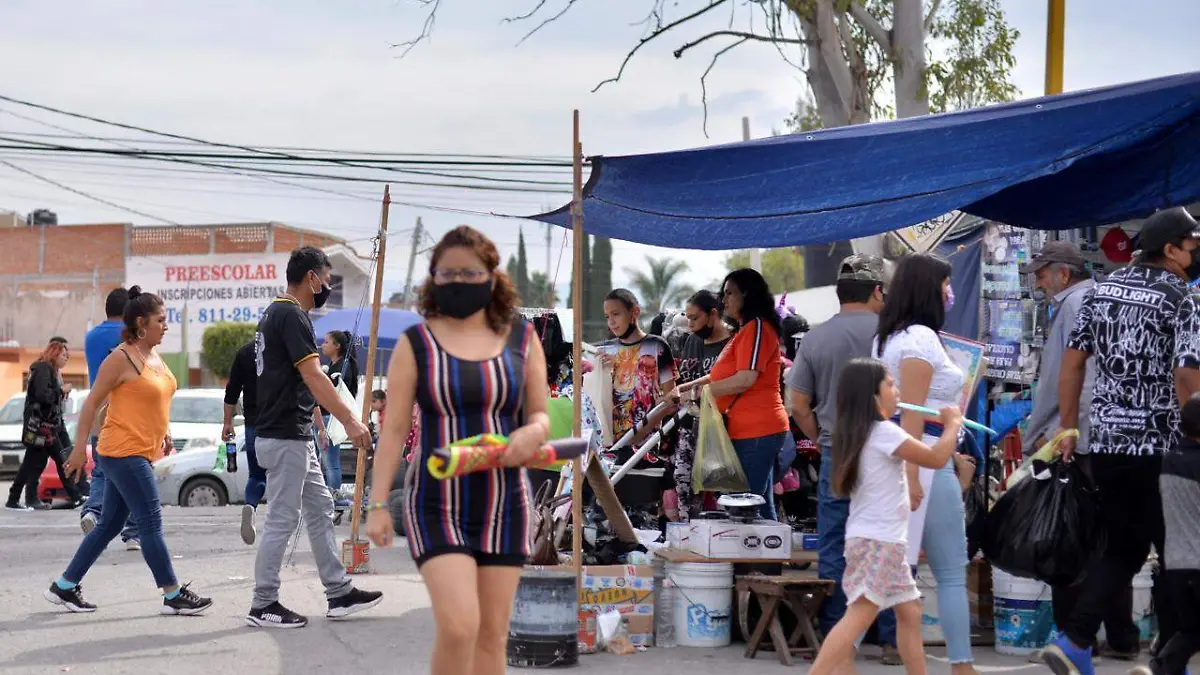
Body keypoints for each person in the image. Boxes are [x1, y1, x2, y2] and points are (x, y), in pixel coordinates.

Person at [366, 225, 551, 675]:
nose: (458, 282)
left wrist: (531, 434)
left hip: (506, 504)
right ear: (433, 279)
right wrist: (376, 505)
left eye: (469, 273)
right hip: (435, 502)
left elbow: (541, 416)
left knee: (492, 636)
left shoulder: (522, 339)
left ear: (492, 276)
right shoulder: (416, 343)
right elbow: (391, 431)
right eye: (447, 273)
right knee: (460, 626)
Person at [1047, 207, 1200, 675]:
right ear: (1170, 249)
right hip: (1165, 446)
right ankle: (1164, 655)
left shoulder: (1099, 293)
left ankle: (1080, 641)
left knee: (1124, 547)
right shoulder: (1184, 299)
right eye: (1192, 249)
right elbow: (1187, 375)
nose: (1196, 257)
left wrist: (1069, 428)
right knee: (1177, 551)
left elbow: (1072, 365)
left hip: (1110, 444)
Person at [47, 287, 211, 615]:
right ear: (141, 322)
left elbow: (153, 397)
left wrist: (165, 431)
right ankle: (172, 592)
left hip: (140, 449)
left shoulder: (153, 355)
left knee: (108, 525)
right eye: (160, 320)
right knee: (150, 521)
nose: (166, 326)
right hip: (122, 452)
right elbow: (92, 403)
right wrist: (79, 450)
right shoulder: (120, 358)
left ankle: (64, 586)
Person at [247, 246, 382, 629]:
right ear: (311, 277)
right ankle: (263, 603)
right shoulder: (290, 315)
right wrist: (352, 422)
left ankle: (338, 592)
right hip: (285, 435)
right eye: (326, 278)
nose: (326, 286)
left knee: (321, 508)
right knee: (282, 520)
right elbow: (314, 376)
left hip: (294, 433)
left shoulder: (278, 313)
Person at [1019, 242, 1139, 661]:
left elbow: (1057, 376)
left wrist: (1038, 431)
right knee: (1112, 540)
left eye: (1041, 273)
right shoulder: (1109, 297)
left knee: (1068, 540)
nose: (1038, 281)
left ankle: (1072, 638)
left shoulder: (1072, 305)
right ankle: (1122, 636)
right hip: (1113, 436)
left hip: (1077, 439)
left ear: (1063, 275)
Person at [807, 357, 963, 675]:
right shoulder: (883, 432)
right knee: (860, 615)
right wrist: (953, 424)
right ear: (872, 396)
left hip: (878, 541)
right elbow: (935, 457)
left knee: (910, 612)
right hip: (880, 542)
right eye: (890, 384)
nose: (897, 390)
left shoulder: (861, 433)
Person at [787, 254, 899, 658]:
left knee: (834, 544)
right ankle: (889, 640)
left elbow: (798, 404)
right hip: (887, 450)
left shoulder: (816, 338)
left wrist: (821, 438)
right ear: (877, 291)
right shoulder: (894, 334)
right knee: (884, 543)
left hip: (839, 450)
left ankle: (839, 640)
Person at [874, 253, 978, 675]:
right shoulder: (918, 338)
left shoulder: (890, 337)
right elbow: (913, 413)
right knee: (950, 570)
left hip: (915, 459)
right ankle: (962, 666)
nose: (949, 292)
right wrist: (914, 477)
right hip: (924, 464)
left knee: (900, 581)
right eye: (945, 284)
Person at [685, 269, 789, 519]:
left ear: (747, 294)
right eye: (723, 293)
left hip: (757, 431)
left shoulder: (757, 328)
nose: (724, 300)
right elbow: (721, 375)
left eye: (729, 293)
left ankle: (756, 558)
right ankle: (770, 557)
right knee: (759, 506)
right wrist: (686, 389)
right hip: (747, 430)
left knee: (745, 506)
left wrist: (700, 392)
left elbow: (745, 378)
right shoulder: (744, 331)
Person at [1137, 393, 1200, 675]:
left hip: (1175, 564)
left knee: (1191, 631)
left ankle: (1162, 667)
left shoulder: (1170, 459)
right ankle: (1160, 667)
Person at [81, 288, 139, 547]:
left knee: (102, 471)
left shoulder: (91, 336)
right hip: (126, 411)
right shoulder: (131, 336)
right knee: (136, 470)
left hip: (98, 410)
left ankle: (92, 512)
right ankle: (133, 531)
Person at [673, 290, 733, 520]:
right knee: (684, 484)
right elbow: (687, 384)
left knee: (724, 492)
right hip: (692, 425)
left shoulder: (732, 342)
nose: (690, 324)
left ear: (713, 314)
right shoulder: (693, 341)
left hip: (725, 427)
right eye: (687, 318)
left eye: (695, 317)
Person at [7, 339, 85, 511]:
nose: (66, 358)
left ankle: (15, 498)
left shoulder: (48, 369)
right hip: (40, 427)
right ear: (55, 354)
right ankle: (77, 497)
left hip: (46, 427)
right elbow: (42, 395)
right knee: (59, 460)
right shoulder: (44, 368)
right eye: (64, 355)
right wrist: (61, 390)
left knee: (47, 462)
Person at [223, 339, 266, 546]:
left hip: (253, 424)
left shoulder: (245, 351)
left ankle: (251, 504)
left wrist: (227, 423)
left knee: (256, 474)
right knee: (282, 478)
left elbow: (232, 391)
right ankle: (278, 528)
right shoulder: (284, 347)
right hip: (281, 424)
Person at [314, 330, 359, 501]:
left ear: (337, 346)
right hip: (324, 417)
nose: (322, 345)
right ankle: (329, 496)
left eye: (326, 342)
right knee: (325, 461)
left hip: (329, 418)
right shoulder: (334, 366)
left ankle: (334, 498)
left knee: (330, 462)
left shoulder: (342, 367)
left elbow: (334, 392)